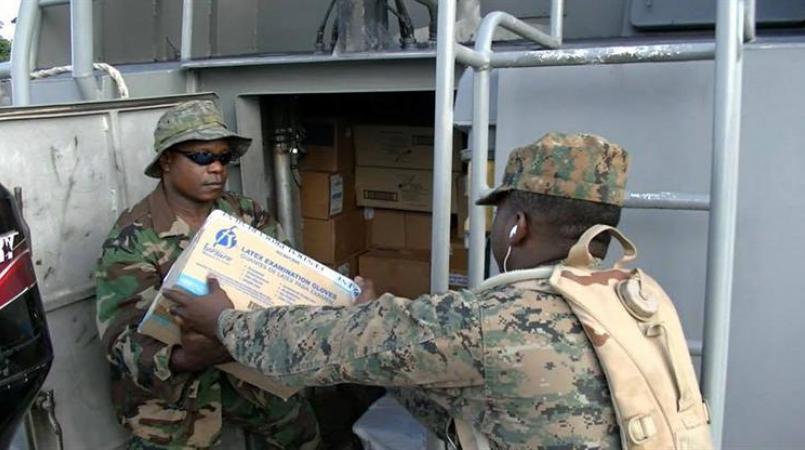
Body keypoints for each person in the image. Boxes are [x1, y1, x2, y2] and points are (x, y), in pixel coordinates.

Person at [167, 132, 709, 449]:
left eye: (498, 217)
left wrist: (223, 321)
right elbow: (469, 394)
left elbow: (320, 344)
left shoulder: (494, 321)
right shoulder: (634, 295)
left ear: (517, 226)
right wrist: (376, 316)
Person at [95, 100, 321, 449]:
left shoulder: (244, 214)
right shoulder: (133, 238)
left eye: (224, 157)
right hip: (175, 389)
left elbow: (286, 276)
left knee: (302, 432)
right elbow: (119, 340)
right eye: (202, 157)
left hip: (247, 368)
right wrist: (186, 357)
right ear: (167, 160)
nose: (216, 168)